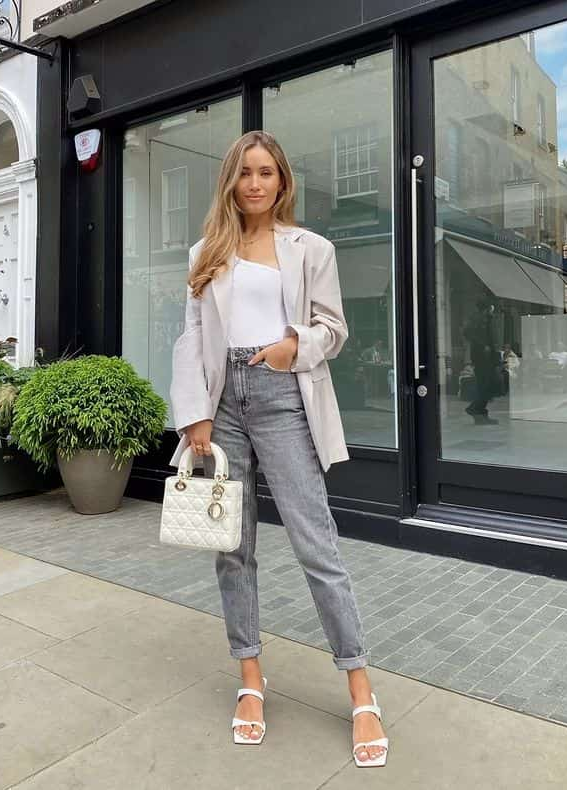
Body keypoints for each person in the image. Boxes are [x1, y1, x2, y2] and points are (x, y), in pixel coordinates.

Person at [169, 131, 388, 768]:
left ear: (282, 180)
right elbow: (191, 341)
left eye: (266, 172)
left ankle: (360, 688)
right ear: (231, 182)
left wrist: (297, 346)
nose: (256, 183)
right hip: (223, 403)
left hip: (284, 392)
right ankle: (250, 678)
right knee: (233, 550)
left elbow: (335, 327)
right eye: (245, 173)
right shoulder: (205, 252)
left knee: (315, 544)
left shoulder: (310, 248)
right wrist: (195, 418)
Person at [462, 298, 499, 425]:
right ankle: (475, 409)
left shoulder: (487, 319)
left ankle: (481, 413)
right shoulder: (477, 318)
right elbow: (467, 333)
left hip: (488, 357)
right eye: (491, 307)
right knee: (484, 385)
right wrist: (483, 345)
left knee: (488, 386)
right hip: (482, 357)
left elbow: (492, 337)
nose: (492, 309)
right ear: (486, 308)